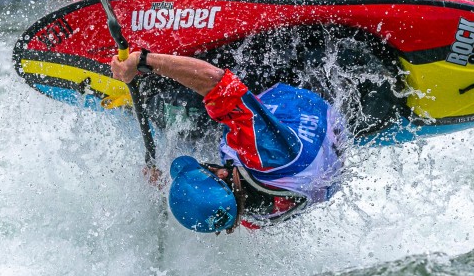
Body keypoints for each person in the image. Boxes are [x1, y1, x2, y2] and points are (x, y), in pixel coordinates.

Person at [110, 49, 346, 234]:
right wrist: (143, 61)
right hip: (308, 81)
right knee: (168, 104)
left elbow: (210, 203)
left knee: (190, 132)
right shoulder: (261, 152)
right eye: (205, 169)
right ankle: (149, 86)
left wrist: (162, 185)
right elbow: (215, 82)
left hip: (332, 131)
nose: (207, 165)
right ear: (220, 175)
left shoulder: (254, 217)